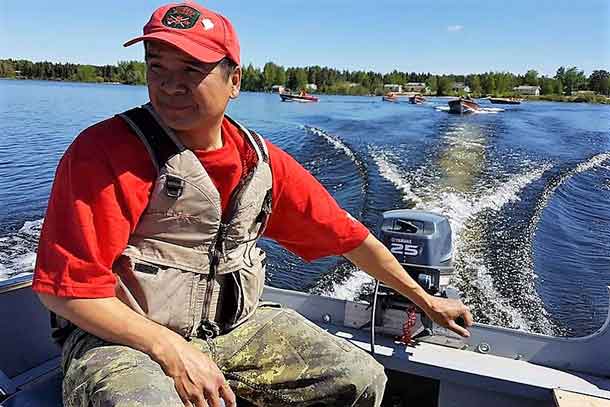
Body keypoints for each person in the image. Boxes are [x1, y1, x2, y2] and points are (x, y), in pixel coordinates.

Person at [33, 2, 473, 407]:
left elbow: (351, 239)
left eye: (191, 69)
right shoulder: (103, 152)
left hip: (231, 331)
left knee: (359, 378)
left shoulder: (261, 164)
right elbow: (64, 292)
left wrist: (426, 301)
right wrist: (170, 349)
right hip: (121, 340)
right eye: (156, 66)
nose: (169, 85)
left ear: (235, 81)